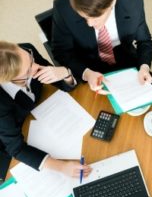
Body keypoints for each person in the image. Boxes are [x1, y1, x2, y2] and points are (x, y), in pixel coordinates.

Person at [0, 41, 91, 178]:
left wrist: (65, 73)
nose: (36, 66)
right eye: (28, 70)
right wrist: (62, 167)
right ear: (9, 79)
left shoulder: (27, 50)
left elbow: (57, 81)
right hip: (9, 138)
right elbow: (16, 148)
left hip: (42, 114)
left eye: (31, 59)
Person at [52, 0, 152, 94]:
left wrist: (144, 67)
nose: (90, 24)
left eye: (96, 17)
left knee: (147, 90)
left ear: (113, 1)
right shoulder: (63, 7)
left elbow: (145, 41)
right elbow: (61, 51)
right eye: (84, 17)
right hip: (86, 64)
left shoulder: (133, 2)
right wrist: (86, 73)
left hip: (125, 57)